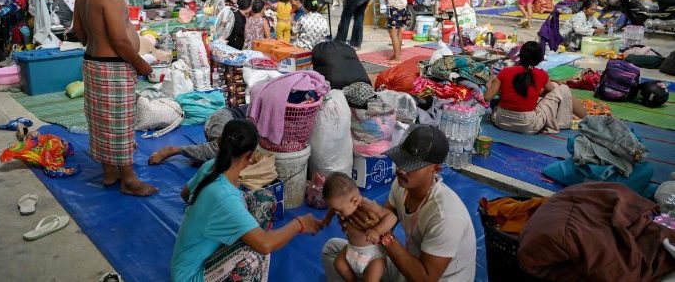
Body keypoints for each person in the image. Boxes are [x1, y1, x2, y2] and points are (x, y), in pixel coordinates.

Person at [171, 119, 323, 282]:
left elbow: (186, 194)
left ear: (219, 142)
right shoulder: (225, 196)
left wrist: (207, 215)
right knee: (253, 255)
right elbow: (265, 244)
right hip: (190, 276)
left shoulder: (210, 167)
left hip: (186, 261)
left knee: (264, 199)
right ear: (250, 157)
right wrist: (299, 224)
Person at [322, 124, 477, 282]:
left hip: (423, 277)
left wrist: (381, 234)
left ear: (436, 169)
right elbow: (382, 219)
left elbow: (425, 278)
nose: (401, 169)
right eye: (402, 160)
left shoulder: (446, 217)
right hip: (408, 268)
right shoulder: (402, 185)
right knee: (332, 249)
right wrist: (357, 222)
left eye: (412, 165)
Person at [71, 0, 156, 196]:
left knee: (102, 121)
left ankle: (110, 171)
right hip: (112, 66)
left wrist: (97, 43)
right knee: (119, 124)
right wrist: (142, 64)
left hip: (93, 62)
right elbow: (120, 40)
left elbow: (78, 30)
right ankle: (129, 178)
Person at [485, 41, 587, 134]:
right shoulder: (541, 74)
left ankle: (587, 119)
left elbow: (487, 97)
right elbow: (553, 90)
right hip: (528, 125)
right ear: (539, 60)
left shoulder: (505, 72)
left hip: (501, 121)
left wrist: (490, 82)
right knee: (563, 88)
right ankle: (588, 119)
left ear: (520, 55)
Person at [322, 172, 397, 282]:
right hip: (352, 249)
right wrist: (327, 218)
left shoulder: (368, 206)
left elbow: (392, 217)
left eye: (339, 210)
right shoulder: (344, 204)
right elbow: (333, 209)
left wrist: (376, 231)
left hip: (373, 255)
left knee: (372, 277)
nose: (337, 213)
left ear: (355, 201)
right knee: (339, 264)